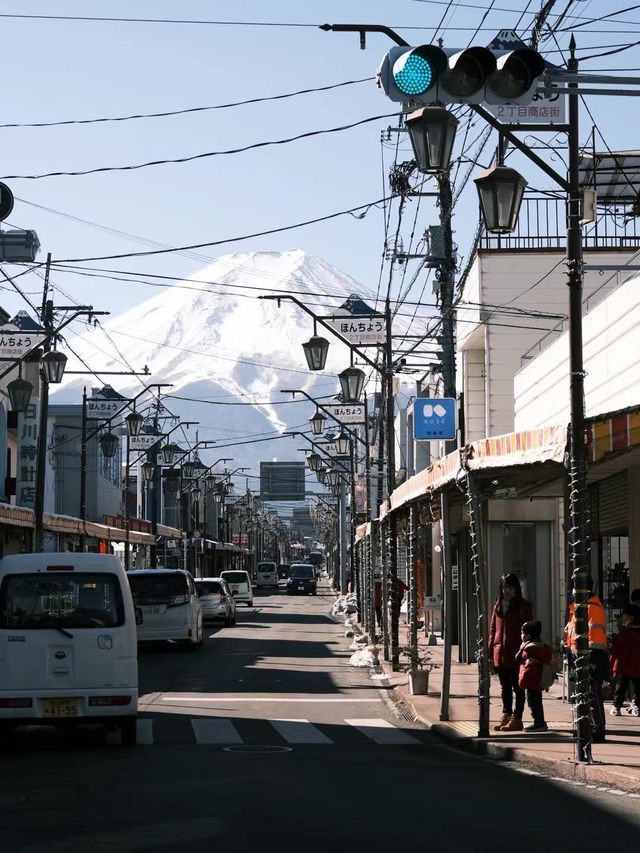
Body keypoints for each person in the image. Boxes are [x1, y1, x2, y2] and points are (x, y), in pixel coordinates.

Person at [564, 576, 609, 743]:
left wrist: (587, 659)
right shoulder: (580, 607)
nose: (571, 592)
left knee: (592, 694)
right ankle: (590, 728)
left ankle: (597, 729)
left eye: (573, 589)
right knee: (586, 694)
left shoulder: (591, 607)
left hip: (591, 657)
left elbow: (594, 637)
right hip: (583, 656)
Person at [489, 572, 533, 732]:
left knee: (518, 686)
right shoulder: (498, 605)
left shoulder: (523, 606)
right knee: (504, 686)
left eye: (510, 587)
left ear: (516, 588)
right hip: (500, 652)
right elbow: (492, 629)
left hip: (517, 653)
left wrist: (526, 649)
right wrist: (490, 649)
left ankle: (517, 717)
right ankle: (506, 713)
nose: (507, 590)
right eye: (504, 587)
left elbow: (529, 631)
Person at [516, 620, 552, 732]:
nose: (521, 635)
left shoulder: (528, 649)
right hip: (538, 679)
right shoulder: (540, 646)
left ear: (528, 635)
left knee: (532, 702)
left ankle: (539, 723)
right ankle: (540, 721)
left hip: (531, 680)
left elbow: (518, 658)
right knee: (537, 701)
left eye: (522, 633)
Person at [609, 604, 640, 716]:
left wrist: (612, 662)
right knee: (638, 687)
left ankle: (616, 707)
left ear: (630, 617)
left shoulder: (625, 632)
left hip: (625, 664)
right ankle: (636, 706)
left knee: (621, 687)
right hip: (637, 665)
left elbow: (617, 648)